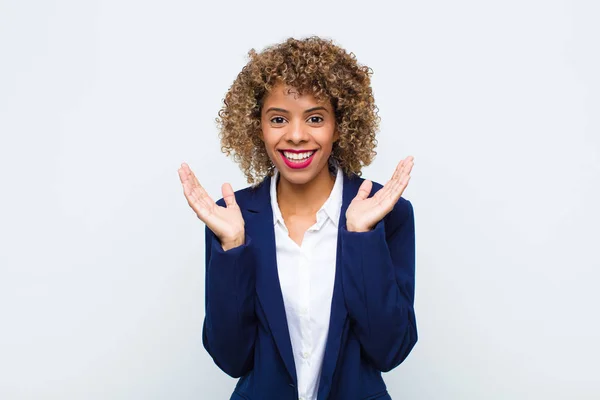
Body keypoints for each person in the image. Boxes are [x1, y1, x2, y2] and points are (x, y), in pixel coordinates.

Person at [178, 36, 417, 400]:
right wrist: (233, 249)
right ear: (257, 126)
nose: (296, 135)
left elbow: (390, 350)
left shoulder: (388, 212)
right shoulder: (232, 219)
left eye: (316, 118)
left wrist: (361, 237)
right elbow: (231, 359)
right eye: (278, 119)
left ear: (340, 125)